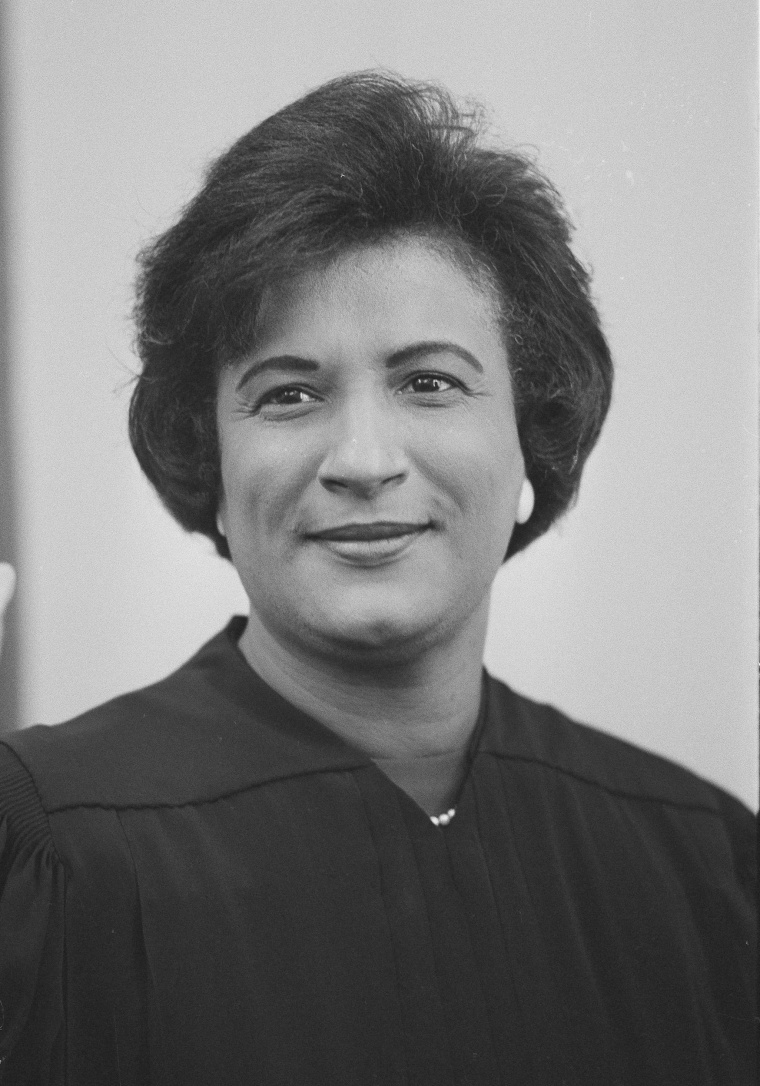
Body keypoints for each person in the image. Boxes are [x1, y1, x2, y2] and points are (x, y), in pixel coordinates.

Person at [0, 73, 754, 1086]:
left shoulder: (701, 860)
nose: (362, 457)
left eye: (428, 382)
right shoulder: (54, 843)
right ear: (209, 463)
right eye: (288, 393)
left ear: (530, 442)